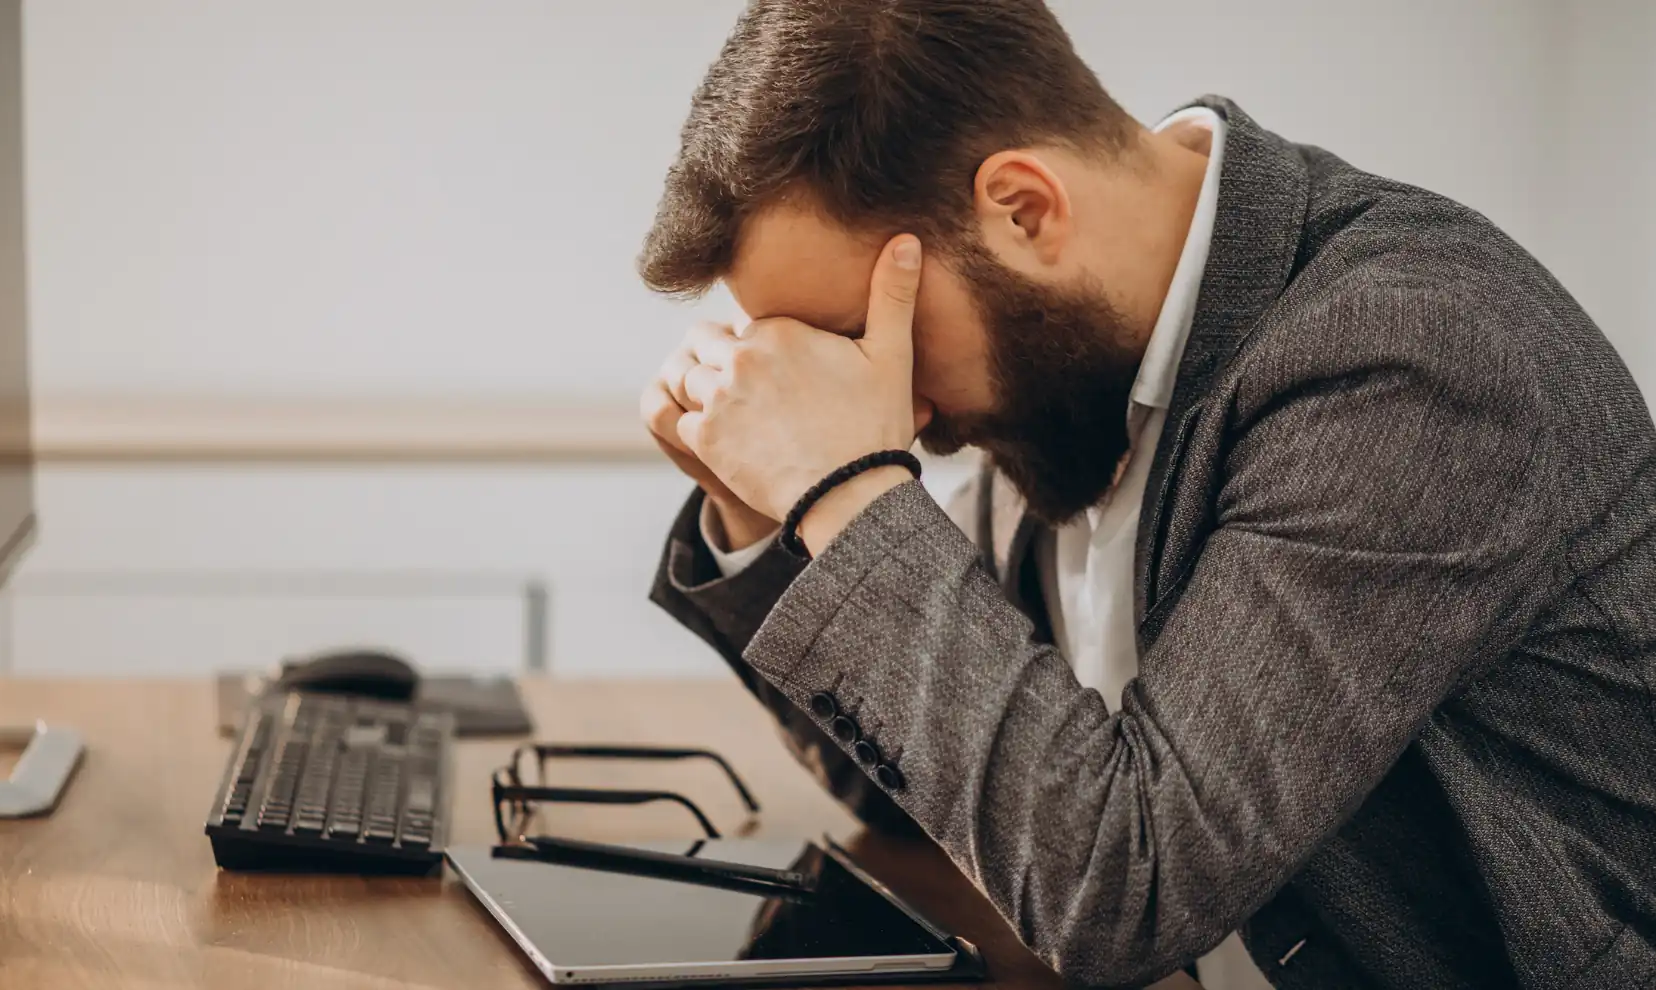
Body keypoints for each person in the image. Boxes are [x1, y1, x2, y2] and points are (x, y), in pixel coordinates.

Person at [635, 2, 1656, 989]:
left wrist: (844, 491)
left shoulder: (1409, 356)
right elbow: (931, 796)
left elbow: (1122, 892)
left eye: (863, 330)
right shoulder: (1061, 363)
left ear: (1025, 209)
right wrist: (762, 509)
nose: (883, 401)